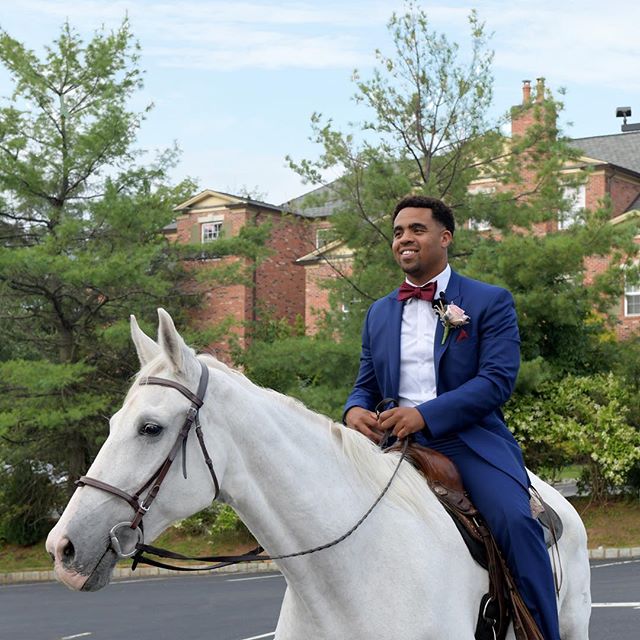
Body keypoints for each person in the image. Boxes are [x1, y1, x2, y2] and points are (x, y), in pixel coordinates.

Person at [343, 195, 560, 640]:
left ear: (445, 237)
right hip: (392, 445)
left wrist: (425, 416)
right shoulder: (379, 312)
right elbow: (366, 381)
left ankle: (542, 633)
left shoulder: (489, 301)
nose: (405, 238)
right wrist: (353, 409)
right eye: (399, 231)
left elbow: (496, 381)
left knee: (516, 524)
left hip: (470, 441)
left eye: (417, 230)